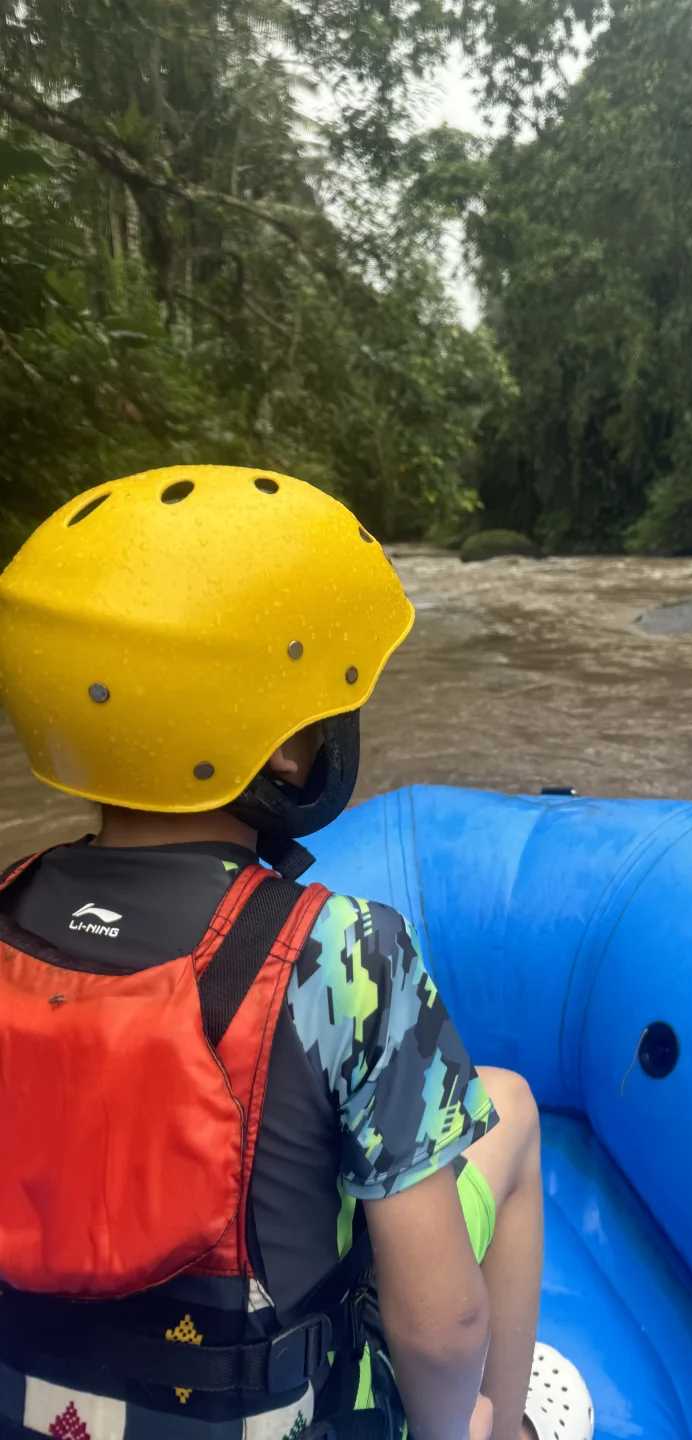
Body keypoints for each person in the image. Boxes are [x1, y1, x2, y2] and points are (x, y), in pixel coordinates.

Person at [0, 466, 554, 1440]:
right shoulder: (345, 952)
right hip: (270, 1409)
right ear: (288, 753)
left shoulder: (11, 908)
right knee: (509, 1105)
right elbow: (441, 1325)